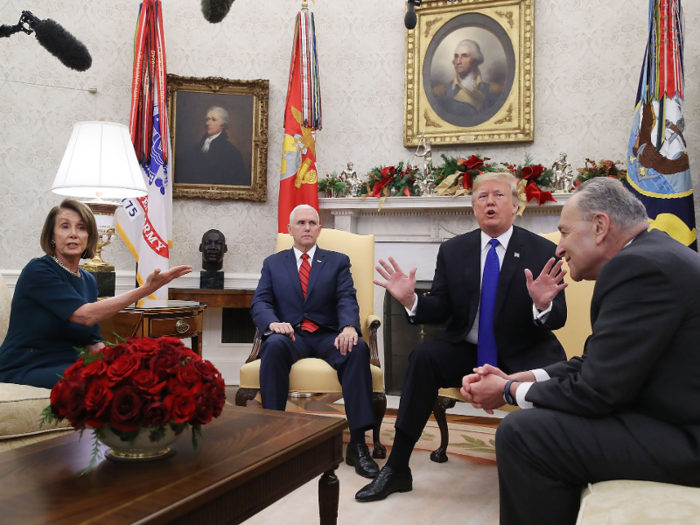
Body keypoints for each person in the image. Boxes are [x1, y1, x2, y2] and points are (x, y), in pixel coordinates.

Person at [462, 177, 700, 524]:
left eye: (564, 232)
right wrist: (522, 377)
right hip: (669, 418)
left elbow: (597, 392)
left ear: (600, 226)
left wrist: (509, 391)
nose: (558, 248)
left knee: (523, 434)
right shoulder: (653, 252)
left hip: (685, 440)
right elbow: (596, 364)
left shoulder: (638, 268)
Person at [356, 172, 568, 502]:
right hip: (468, 350)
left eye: (498, 195)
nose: (490, 202)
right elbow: (441, 308)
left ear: (515, 205)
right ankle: (397, 468)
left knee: (558, 378)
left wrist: (542, 305)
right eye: (481, 197)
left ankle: (550, 472)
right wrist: (411, 300)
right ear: (473, 208)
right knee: (423, 357)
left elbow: (560, 318)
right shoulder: (455, 250)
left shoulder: (542, 249)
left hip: (523, 352)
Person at [0, 199, 192, 389]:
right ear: (52, 235)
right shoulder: (39, 270)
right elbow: (86, 315)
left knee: (142, 375)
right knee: (101, 382)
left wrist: (125, 363)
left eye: (81, 228)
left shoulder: (89, 280)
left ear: (89, 237)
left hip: (70, 364)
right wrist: (146, 290)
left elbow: (93, 343)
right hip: (26, 366)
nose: (73, 234)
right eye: (65, 226)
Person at [250, 204, 379, 479]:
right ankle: (275, 439)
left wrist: (348, 327)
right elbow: (261, 301)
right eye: (301, 223)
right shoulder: (274, 263)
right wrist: (273, 323)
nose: (307, 227)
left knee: (358, 349)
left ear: (319, 228)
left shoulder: (337, 261)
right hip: (291, 335)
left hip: (328, 336)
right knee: (272, 346)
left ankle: (358, 444)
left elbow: (346, 297)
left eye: (312, 223)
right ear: (290, 229)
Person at [431, 39, 504, 120]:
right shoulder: (439, 92)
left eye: (464, 56)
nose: (458, 61)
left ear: (475, 59)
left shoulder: (495, 90)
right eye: (456, 56)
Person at [177, 106, 248, 186]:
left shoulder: (232, 152)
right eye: (207, 119)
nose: (208, 123)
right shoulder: (194, 149)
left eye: (213, 120)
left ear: (223, 124)